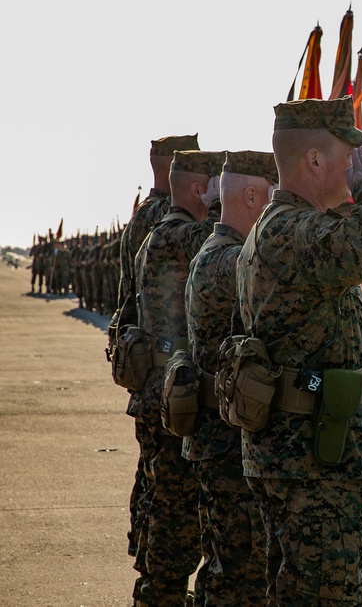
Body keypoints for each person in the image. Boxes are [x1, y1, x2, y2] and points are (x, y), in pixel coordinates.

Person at [236, 97, 362, 604]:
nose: (357, 167)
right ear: (313, 161)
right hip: (311, 460)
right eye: (350, 156)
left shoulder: (293, 228)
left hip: (309, 452)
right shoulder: (290, 229)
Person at [184, 151, 276, 604]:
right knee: (237, 578)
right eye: (276, 199)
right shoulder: (230, 261)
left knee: (227, 567)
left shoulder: (218, 252)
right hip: (225, 446)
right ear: (253, 195)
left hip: (218, 439)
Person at [134, 148, 223, 604]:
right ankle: (160, 594)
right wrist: (228, 199)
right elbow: (230, 235)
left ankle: (156, 588)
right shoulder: (178, 235)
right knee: (175, 508)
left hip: (160, 387)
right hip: (169, 395)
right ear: (196, 189)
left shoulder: (159, 232)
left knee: (164, 498)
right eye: (213, 184)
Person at [113, 134, 196, 567]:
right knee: (167, 488)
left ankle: (146, 555)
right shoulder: (167, 219)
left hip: (147, 364)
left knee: (153, 476)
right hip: (162, 368)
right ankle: (154, 569)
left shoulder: (143, 215)